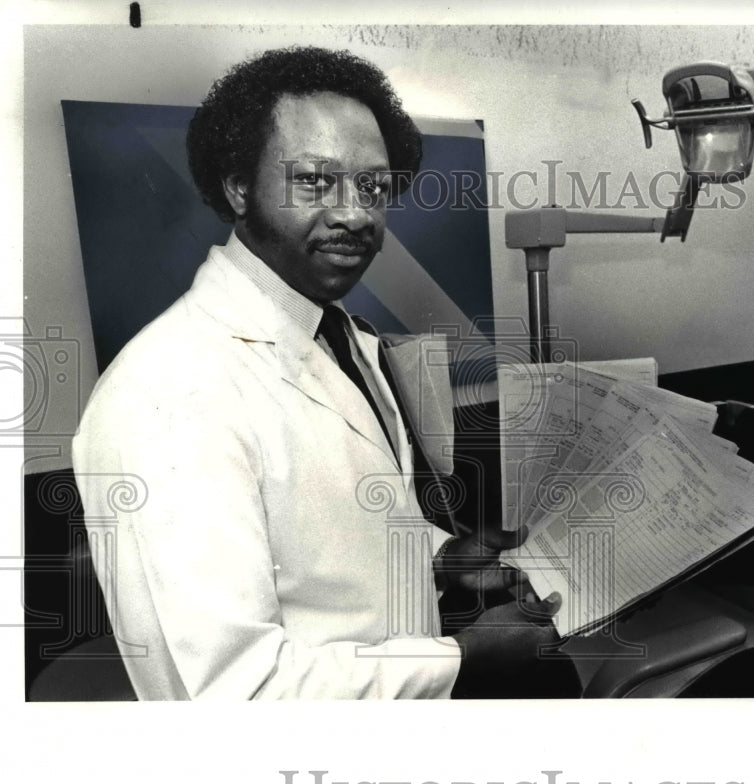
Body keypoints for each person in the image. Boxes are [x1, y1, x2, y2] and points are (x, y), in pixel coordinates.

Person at [72, 46, 571, 699]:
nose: (357, 213)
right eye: (315, 181)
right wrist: (462, 658)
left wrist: (440, 556)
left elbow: (321, 543)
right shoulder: (166, 393)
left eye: (373, 186)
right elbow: (240, 691)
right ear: (238, 186)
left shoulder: (343, 336)